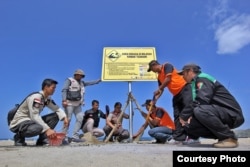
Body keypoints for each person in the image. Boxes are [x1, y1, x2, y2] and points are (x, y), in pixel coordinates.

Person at [178, 63, 244, 148]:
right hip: (218, 113)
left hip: (232, 114)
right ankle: (222, 136)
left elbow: (201, 100)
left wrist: (184, 115)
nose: (182, 77)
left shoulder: (203, 79)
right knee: (188, 125)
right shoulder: (196, 82)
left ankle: (229, 137)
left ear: (190, 71)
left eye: (183, 74)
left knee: (199, 110)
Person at [147, 60, 198, 144]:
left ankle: (193, 137)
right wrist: (155, 100)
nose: (153, 71)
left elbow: (168, 79)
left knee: (188, 112)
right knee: (177, 115)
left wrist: (159, 89)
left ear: (154, 65)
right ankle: (179, 138)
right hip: (176, 94)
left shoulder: (167, 66)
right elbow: (161, 89)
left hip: (184, 88)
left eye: (152, 69)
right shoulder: (159, 76)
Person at [9, 79, 68, 146]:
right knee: (38, 128)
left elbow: (56, 108)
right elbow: (35, 116)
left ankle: (42, 139)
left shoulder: (46, 99)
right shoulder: (36, 98)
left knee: (56, 115)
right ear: (46, 87)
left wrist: (64, 117)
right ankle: (19, 137)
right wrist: (48, 129)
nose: (54, 90)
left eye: (55, 88)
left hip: (31, 121)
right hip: (20, 122)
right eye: (53, 88)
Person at [62, 69, 101, 142]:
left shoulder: (82, 83)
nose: (81, 77)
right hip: (69, 103)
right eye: (79, 75)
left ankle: (75, 137)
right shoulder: (69, 80)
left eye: (82, 76)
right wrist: (64, 100)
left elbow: (91, 83)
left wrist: (99, 80)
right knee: (68, 120)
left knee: (80, 118)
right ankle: (64, 137)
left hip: (78, 104)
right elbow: (64, 90)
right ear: (76, 74)